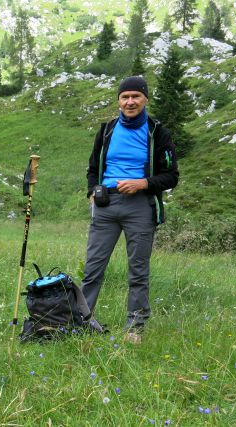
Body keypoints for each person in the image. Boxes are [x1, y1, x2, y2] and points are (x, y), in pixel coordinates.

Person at [81, 76, 179, 344]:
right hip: (105, 205)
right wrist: (93, 191)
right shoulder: (107, 130)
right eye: (125, 97)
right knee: (93, 268)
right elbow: (92, 168)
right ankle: (81, 320)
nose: (130, 101)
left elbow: (171, 176)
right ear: (118, 101)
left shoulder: (157, 132)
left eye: (136, 96)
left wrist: (143, 183)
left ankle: (135, 327)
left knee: (138, 270)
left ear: (146, 98)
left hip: (140, 206)